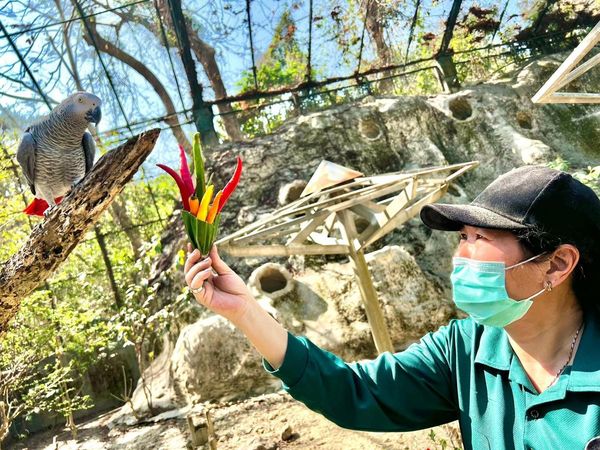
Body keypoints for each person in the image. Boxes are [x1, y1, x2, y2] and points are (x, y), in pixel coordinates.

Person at [184, 165, 600, 450]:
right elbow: (353, 392)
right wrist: (245, 311)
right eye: (462, 238)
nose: (462, 257)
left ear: (558, 264)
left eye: (481, 239)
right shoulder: (463, 350)